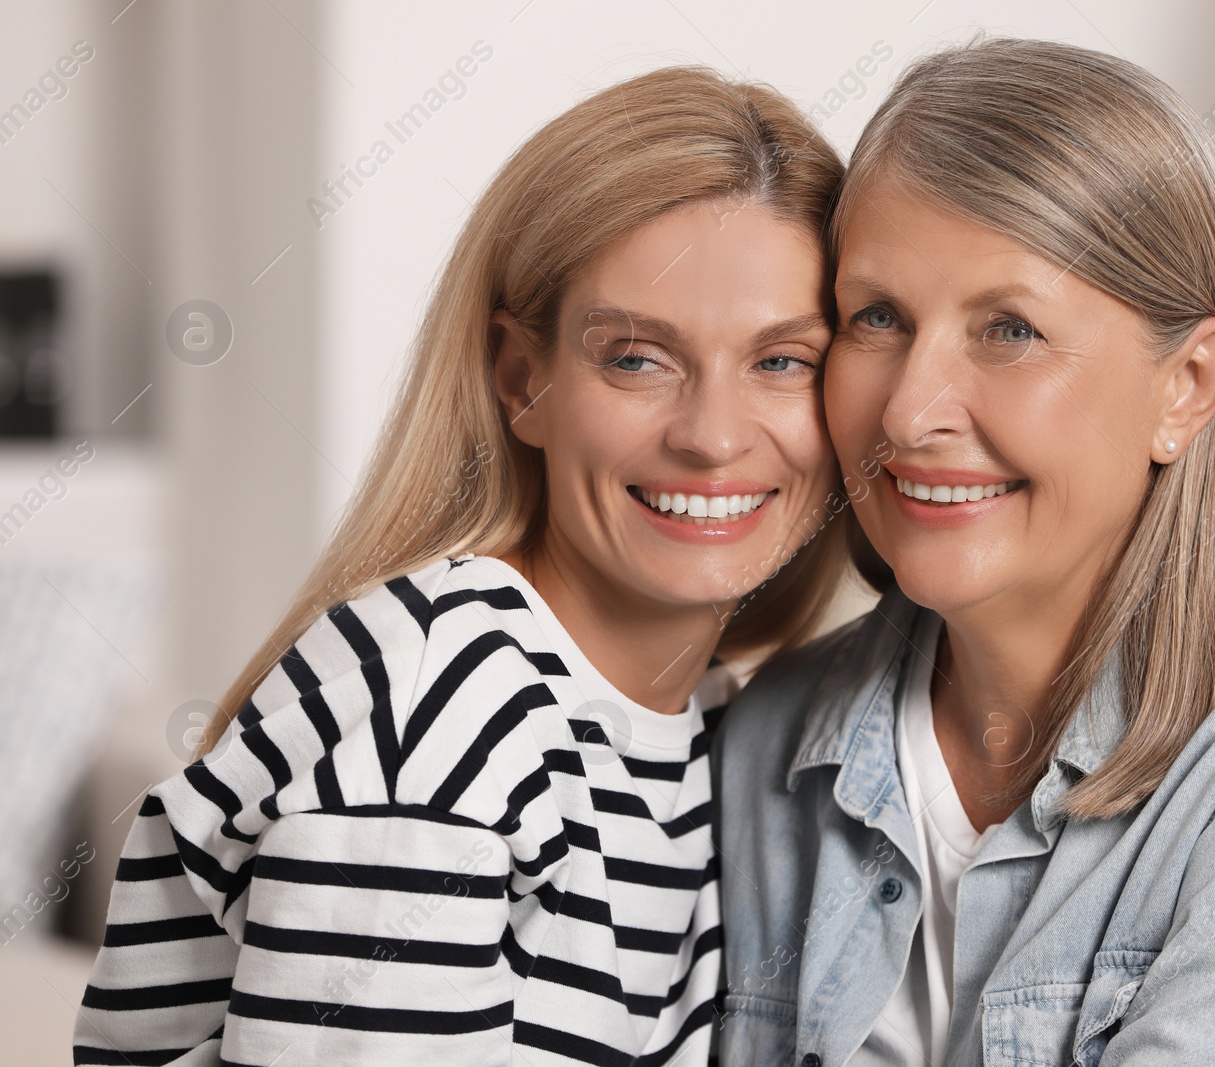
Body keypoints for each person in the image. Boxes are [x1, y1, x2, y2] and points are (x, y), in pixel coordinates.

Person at [714, 38, 1215, 1066]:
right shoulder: (764, 746)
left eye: (1007, 329)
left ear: (1187, 383)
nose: (912, 410)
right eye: (876, 316)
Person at [75, 66, 850, 1067]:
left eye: (782, 360)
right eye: (636, 357)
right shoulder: (445, 710)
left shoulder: (702, 720)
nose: (711, 437)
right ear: (524, 379)